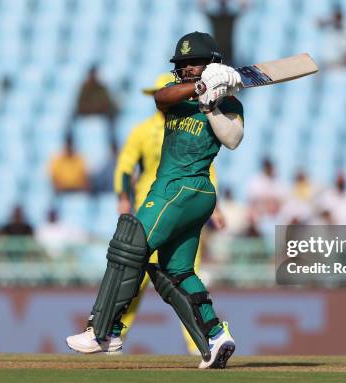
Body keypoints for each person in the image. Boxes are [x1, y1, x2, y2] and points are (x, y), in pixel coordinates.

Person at [66, 32, 243, 369]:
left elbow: (232, 139)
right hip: (179, 192)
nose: (188, 68)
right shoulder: (177, 97)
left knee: (129, 246)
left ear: (212, 64)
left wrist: (212, 105)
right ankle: (215, 335)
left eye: (194, 63)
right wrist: (201, 89)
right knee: (176, 270)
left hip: (184, 187)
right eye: (183, 64)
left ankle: (104, 331)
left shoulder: (229, 103)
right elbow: (161, 97)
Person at [108, 73, 224, 356]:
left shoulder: (195, 124)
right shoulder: (144, 130)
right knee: (135, 274)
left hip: (183, 208)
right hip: (151, 207)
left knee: (183, 274)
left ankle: (197, 342)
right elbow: (125, 165)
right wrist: (123, 197)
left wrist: (215, 207)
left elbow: (205, 169)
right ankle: (113, 332)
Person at [74, 65, 120, 143]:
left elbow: (107, 103)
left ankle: (112, 142)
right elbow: (80, 103)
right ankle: (71, 141)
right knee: (73, 115)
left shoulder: (102, 87)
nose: (93, 77)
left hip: (101, 111)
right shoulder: (84, 88)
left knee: (111, 115)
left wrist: (97, 107)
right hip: (87, 111)